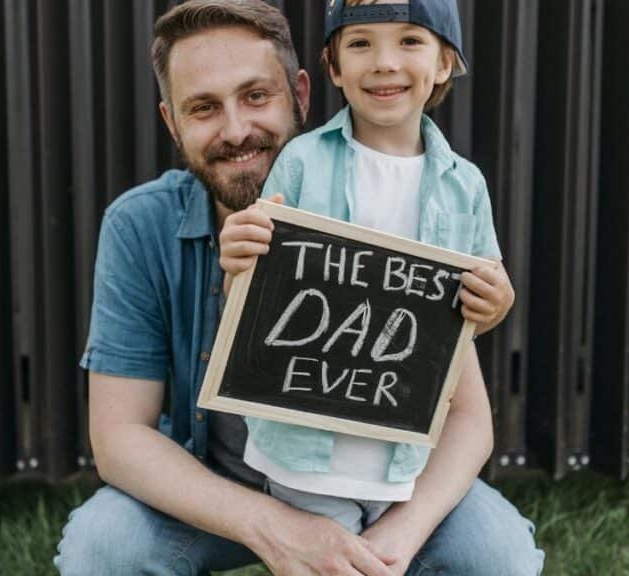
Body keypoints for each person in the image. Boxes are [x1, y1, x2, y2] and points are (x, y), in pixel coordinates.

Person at [54, 1, 542, 574]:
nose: (236, 130)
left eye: (257, 96)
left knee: (497, 553)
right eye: (204, 108)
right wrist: (279, 529)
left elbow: (467, 416)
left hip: (382, 480)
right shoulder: (139, 225)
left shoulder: (388, 205)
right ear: (172, 122)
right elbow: (119, 438)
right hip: (218, 485)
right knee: (102, 545)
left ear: (303, 94)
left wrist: (400, 533)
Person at [217, 0, 528, 555]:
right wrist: (240, 260)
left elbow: (481, 289)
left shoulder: (465, 184)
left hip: (403, 453)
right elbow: (257, 296)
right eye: (361, 43)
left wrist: (496, 300)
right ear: (333, 68)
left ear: (444, 63)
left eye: (410, 41)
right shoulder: (301, 162)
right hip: (305, 457)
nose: (384, 62)